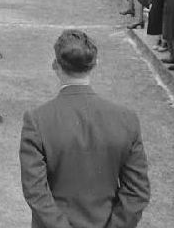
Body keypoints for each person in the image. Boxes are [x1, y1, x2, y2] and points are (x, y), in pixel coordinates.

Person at [20, 30, 150, 228]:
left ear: (55, 65)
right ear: (95, 64)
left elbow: (35, 191)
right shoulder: (126, 119)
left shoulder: (37, 120)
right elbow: (137, 192)